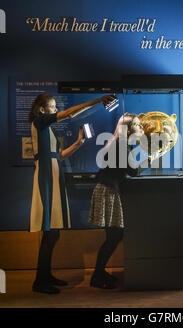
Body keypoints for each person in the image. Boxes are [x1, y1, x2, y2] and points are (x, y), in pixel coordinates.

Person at [29, 93, 116, 294]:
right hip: (47, 177)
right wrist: (97, 100)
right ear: (42, 110)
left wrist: (78, 143)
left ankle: (45, 276)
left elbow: (58, 156)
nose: (55, 109)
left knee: (53, 233)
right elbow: (68, 114)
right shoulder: (39, 121)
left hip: (53, 174)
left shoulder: (46, 128)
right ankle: (39, 281)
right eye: (52, 106)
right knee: (49, 233)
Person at [88, 113, 153, 289]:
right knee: (114, 236)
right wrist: (149, 160)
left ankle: (99, 273)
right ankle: (97, 276)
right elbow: (132, 171)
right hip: (108, 192)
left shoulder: (122, 144)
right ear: (129, 129)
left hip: (108, 191)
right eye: (138, 125)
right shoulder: (122, 145)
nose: (142, 128)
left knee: (114, 236)